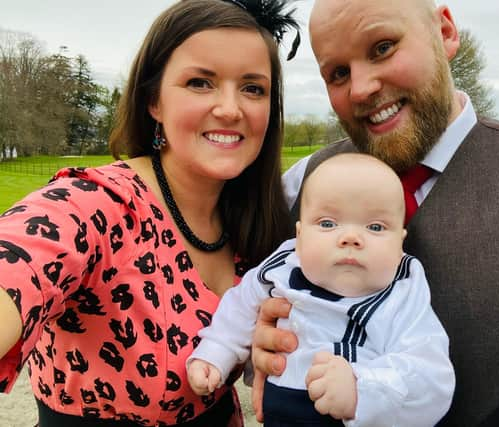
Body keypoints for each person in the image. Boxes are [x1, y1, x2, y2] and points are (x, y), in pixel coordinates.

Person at [251, 0, 499, 426]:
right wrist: (262, 347)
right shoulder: (299, 185)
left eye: (382, 47)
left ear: (446, 33)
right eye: (338, 73)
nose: (360, 88)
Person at [0, 0, 299, 425]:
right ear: (153, 101)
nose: (232, 108)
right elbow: (24, 256)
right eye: (200, 82)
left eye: (253, 88)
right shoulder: (97, 205)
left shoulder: (257, 219)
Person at [187, 153, 455, 427]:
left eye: (375, 226)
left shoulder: (401, 292)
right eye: (327, 223)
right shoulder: (283, 265)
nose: (350, 237)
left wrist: (361, 388)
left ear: (400, 244)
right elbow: (240, 305)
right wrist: (216, 352)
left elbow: (431, 374)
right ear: (300, 237)